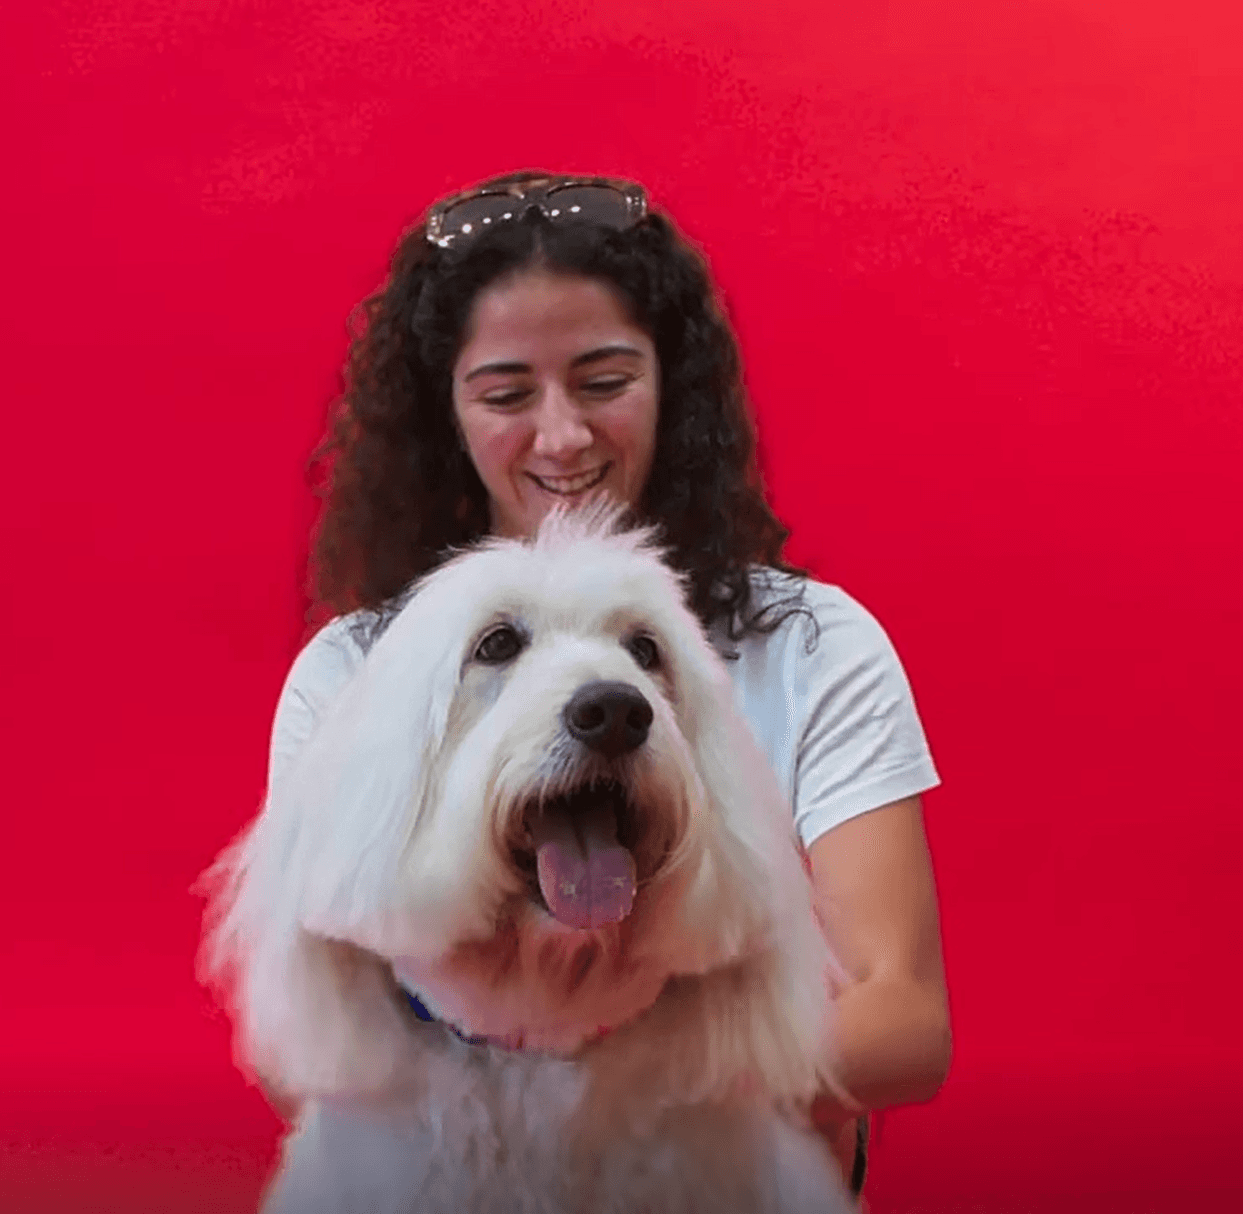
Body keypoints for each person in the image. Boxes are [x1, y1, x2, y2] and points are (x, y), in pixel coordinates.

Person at [270, 171, 952, 1199]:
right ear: (446, 411)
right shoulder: (354, 670)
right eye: (506, 393)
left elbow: (902, 1016)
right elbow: (315, 1030)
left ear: (669, 382)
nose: (562, 436)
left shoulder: (810, 642)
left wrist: (622, 1071)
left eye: (602, 380)